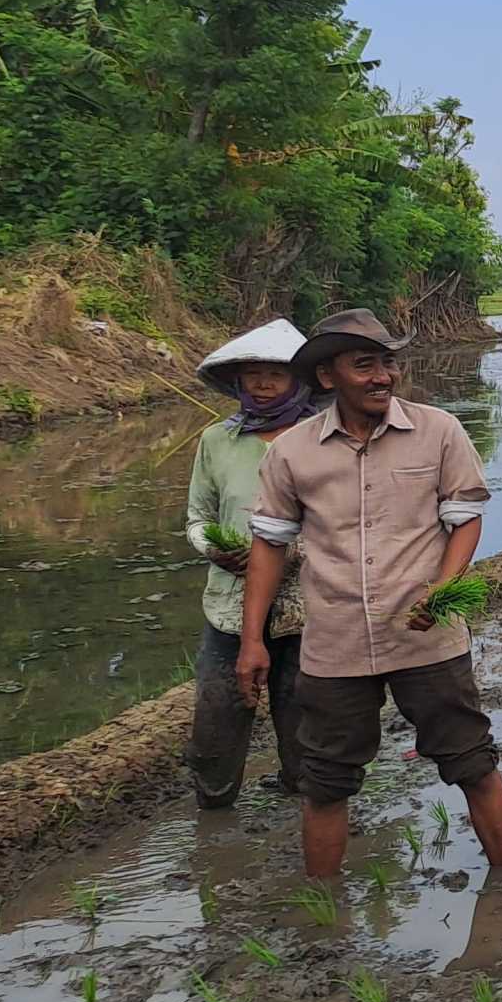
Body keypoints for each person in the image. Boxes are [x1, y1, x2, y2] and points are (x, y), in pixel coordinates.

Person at [239, 309, 502, 878]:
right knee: (324, 781)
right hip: (334, 644)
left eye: (388, 362)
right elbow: (269, 545)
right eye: (363, 364)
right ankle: (325, 911)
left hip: (426, 640)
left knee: (472, 761)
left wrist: (440, 591)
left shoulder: (439, 431)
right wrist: (252, 641)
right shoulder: (291, 453)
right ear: (326, 377)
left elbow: (464, 519)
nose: (382, 376)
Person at [184, 319, 313, 805]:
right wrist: (211, 546)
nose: (262, 385)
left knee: (305, 722)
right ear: (237, 381)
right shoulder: (217, 440)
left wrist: (290, 554)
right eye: (252, 375)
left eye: (275, 375)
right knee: (217, 720)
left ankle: (304, 802)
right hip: (229, 607)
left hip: (308, 609)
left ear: (298, 380)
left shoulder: (323, 437)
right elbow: (197, 516)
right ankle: (214, 806)